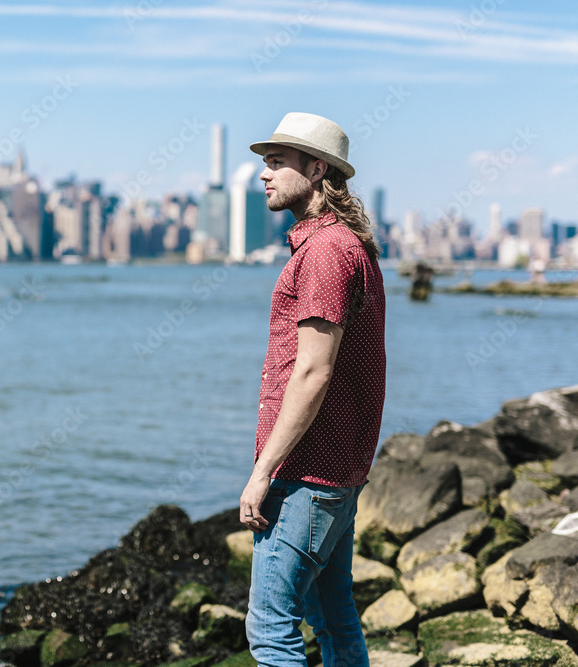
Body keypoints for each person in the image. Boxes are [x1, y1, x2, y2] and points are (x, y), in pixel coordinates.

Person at [238, 112, 386, 667]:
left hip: (306, 474)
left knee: (271, 630)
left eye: (276, 163)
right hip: (338, 472)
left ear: (316, 168)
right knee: (333, 616)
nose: (264, 175)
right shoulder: (352, 247)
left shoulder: (325, 252)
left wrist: (262, 472)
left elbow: (312, 372)